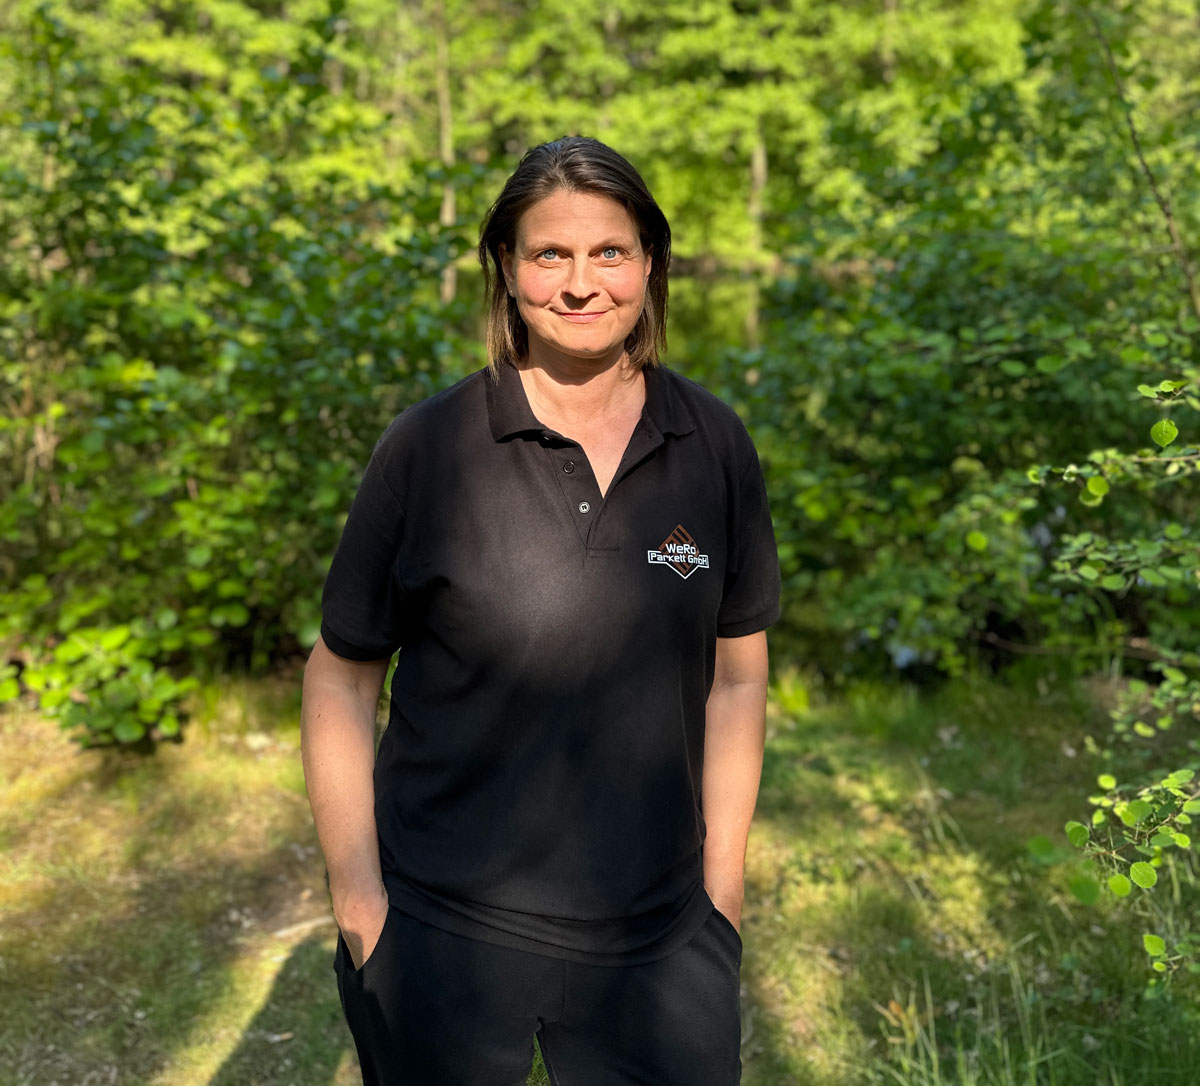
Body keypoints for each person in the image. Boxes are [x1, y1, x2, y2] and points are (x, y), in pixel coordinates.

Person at [300, 135, 780, 1086]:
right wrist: (360, 905)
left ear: (651, 263)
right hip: (442, 931)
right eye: (549, 254)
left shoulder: (714, 443)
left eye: (610, 252)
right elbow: (340, 678)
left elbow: (737, 679)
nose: (581, 283)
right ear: (506, 267)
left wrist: (720, 895)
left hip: (663, 938)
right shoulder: (430, 448)